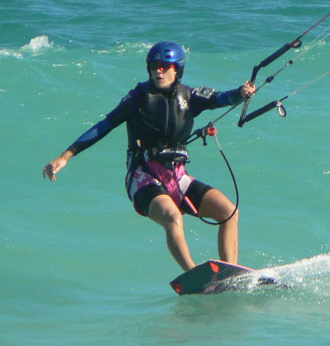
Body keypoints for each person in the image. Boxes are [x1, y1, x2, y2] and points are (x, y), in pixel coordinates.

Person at [43, 41, 256, 272]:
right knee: (172, 216)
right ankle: (193, 274)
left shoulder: (190, 97)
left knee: (229, 211)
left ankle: (231, 273)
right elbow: (106, 124)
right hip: (143, 177)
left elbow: (222, 98)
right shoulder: (139, 97)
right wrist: (67, 155)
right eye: (154, 66)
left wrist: (241, 93)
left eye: (165, 66)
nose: (158, 71)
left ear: (177, 69)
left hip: (177, 177)